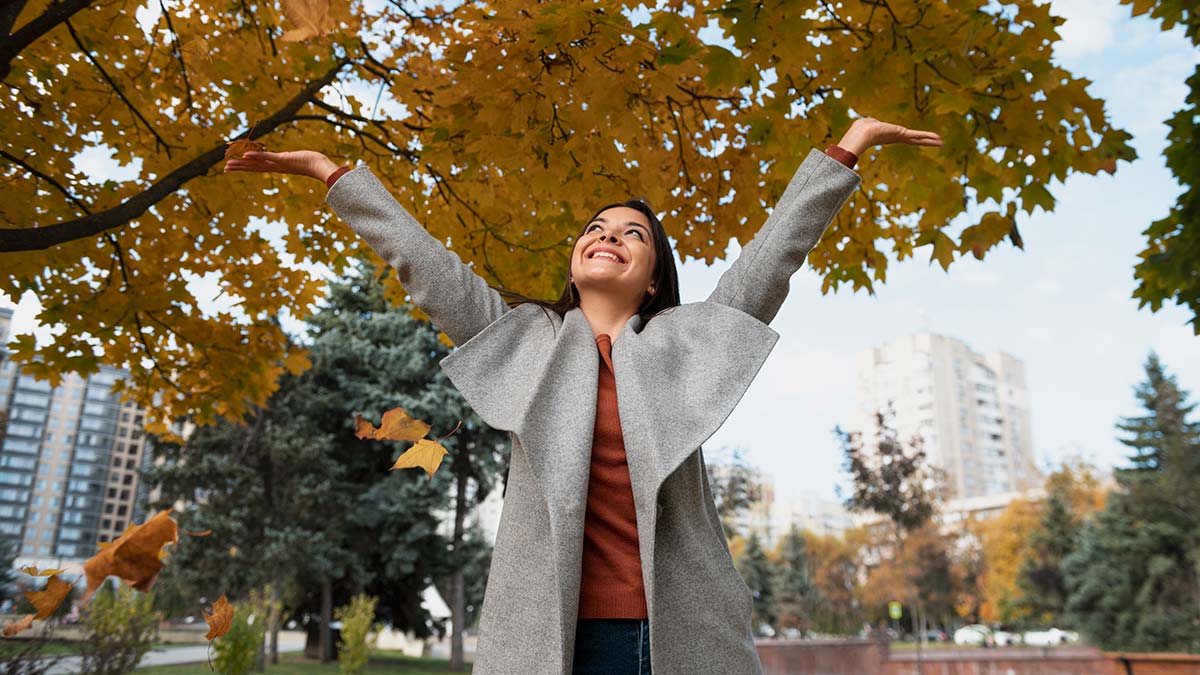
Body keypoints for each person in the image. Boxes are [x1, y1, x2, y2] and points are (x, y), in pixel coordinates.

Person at [224, 116, 941, 674]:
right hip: (549, 637)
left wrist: (849, 144)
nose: (607, 236)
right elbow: (425, 264)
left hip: (677, 636)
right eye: (595, 228)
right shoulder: (525, 338)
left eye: (632, 234)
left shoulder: (686, 344)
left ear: (654, 277)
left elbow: (769, 263)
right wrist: (332, 173)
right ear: (576, 258)